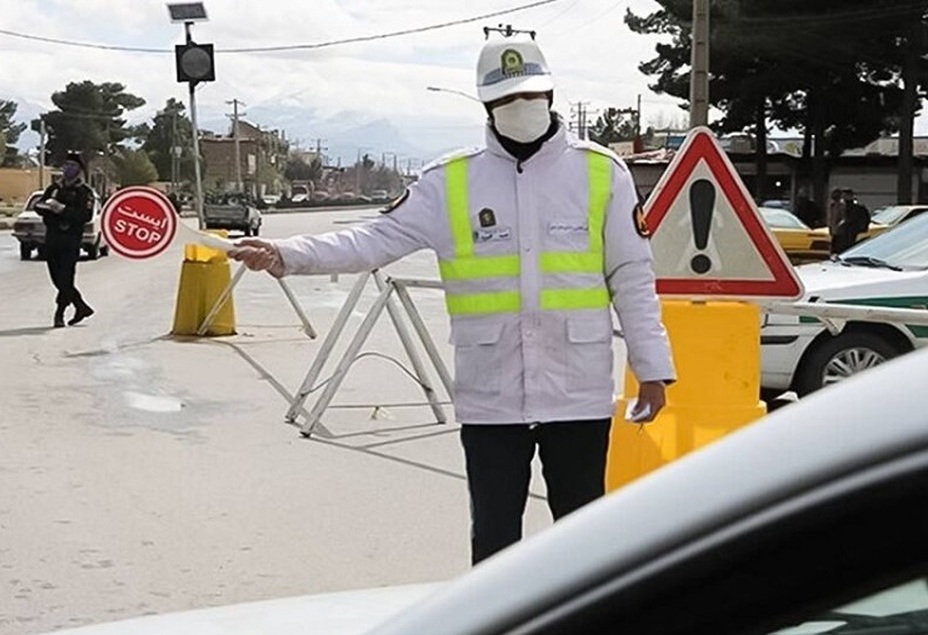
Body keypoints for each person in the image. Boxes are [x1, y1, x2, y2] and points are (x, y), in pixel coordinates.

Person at [230, 31, 676, 565]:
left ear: (551, 96)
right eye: (508, 98)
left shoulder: (601, 172)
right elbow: (372, 240)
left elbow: (632, 274)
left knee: (584, 543)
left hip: (576, 389)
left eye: (531, 96)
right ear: (487, 104)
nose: (522, 107)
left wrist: (652, 366)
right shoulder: (451, 181)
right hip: (491, 394)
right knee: (492, 541)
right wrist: (286, 253)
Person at [36, 151, 96, 328]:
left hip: (70, 241)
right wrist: (47, 207)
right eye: (66, 165)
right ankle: (81, 306)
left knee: (66, 279)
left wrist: (62, 210)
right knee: (56, 279)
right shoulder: (54, 188)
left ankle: (59, 314)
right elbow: (39, 205)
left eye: (72, 166)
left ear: (79, 170)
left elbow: (85, 215)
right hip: (52, 239)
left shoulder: (84, 192)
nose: (68, 169)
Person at [837, 188, 871, 253]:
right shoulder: (841, 207)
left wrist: (860, 229)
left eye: (845, 196)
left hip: (852, 232)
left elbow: (864, 220)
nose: (843, 198)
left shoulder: (858, 208)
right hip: (844, 233)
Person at [827, 188, 845, 255]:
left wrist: (839, 226)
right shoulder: (832, 205)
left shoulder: (842, 205)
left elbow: (843, 217)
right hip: (833, 231)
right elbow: (830, 218)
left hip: (840, 232)